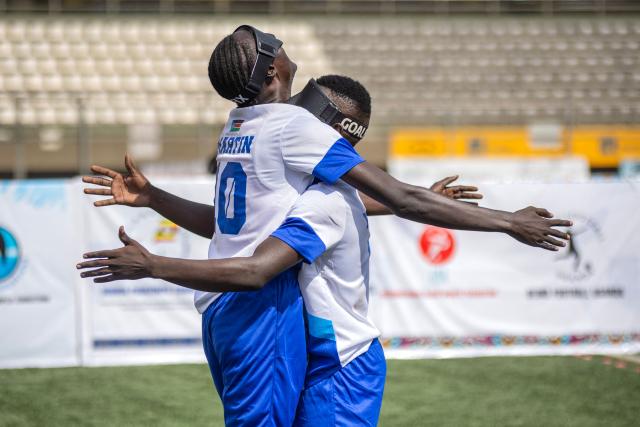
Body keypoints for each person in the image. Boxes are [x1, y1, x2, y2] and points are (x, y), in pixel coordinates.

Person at [80, 26, 571, 426]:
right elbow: (395, 196)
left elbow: (274, 220)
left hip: (253, 324)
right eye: (283, 48)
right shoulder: (298, 132)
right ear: (273, 68)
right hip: (265, 314)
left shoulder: (237, 126)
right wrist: (508, 221)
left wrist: (153, 201)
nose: (292, 57)